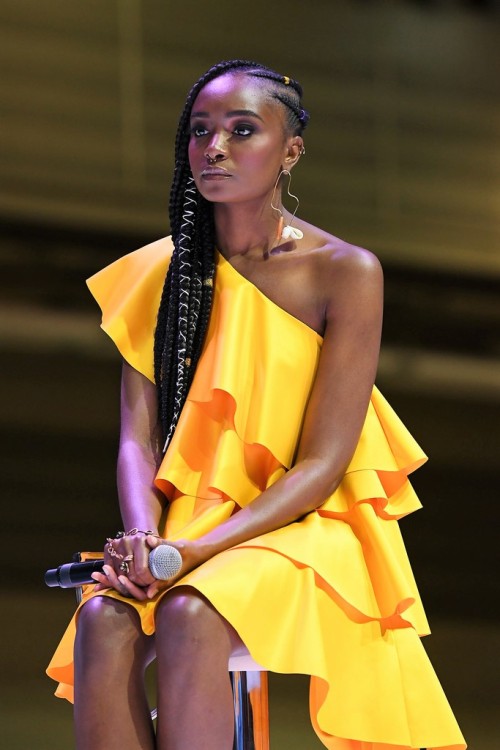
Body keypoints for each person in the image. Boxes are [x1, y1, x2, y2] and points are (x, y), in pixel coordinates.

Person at [47, 59, 466, 750]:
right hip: (182, 530)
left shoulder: (345, 272)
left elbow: (325, 464)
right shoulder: (159, 272)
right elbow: (135, 438)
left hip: (303, 524)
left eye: (242, 130)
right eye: (201, 130)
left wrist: (191, 553)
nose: (215, 147)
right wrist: (146, 540)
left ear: (290, 151)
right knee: (103, 619)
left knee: (190, 609)